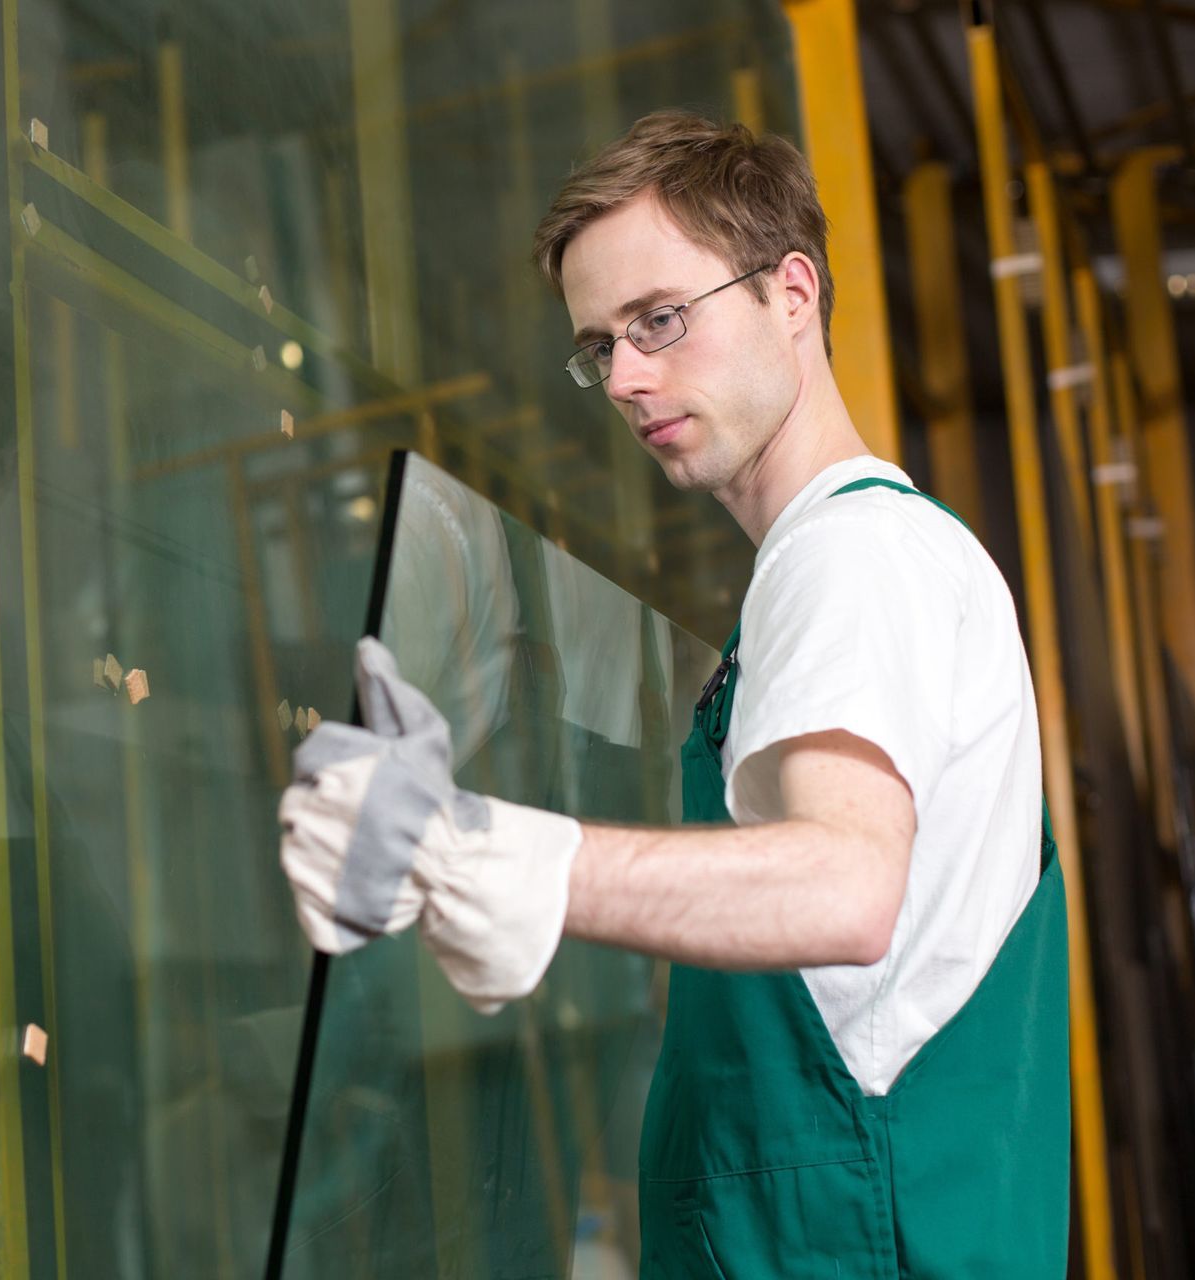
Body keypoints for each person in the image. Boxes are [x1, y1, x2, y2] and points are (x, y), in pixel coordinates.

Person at [278, 110, 1071, 1276]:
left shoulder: (851, 557)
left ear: (792, 294)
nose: (627, 378)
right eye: (602, 345)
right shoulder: (843, 564)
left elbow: (847, 883)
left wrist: (479, 850)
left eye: (661, 320)